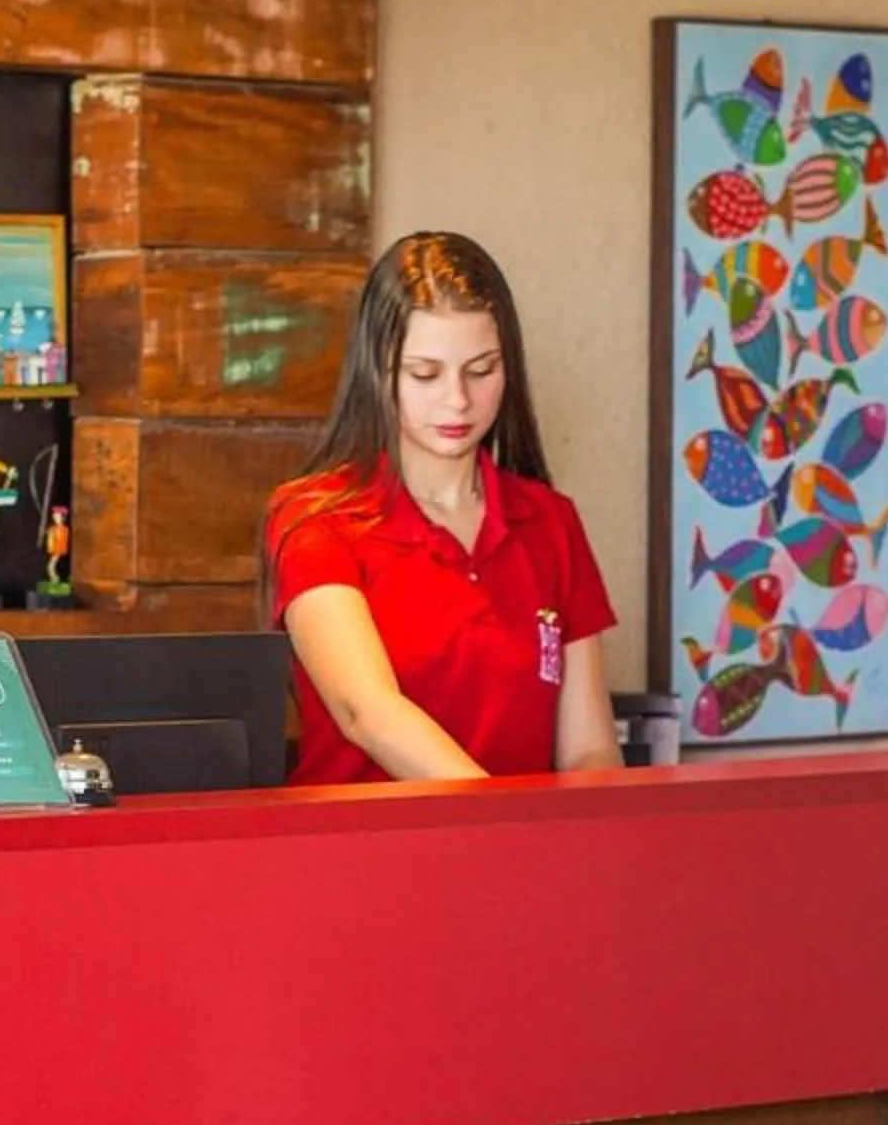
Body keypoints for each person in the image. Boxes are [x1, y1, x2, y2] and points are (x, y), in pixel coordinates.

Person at [264, 231, 622, 784]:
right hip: (365, 856)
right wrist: (505, 825)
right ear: (378, 372)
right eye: (425, 375)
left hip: (523, 856)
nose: (457, 399)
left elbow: (590, 752)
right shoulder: (316, 519)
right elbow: (369, 713)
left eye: (481, 370)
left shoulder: (550, 522)